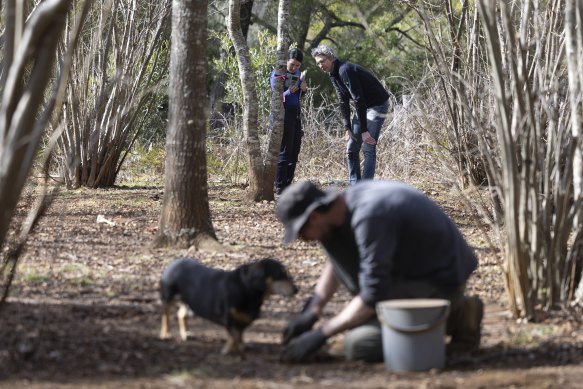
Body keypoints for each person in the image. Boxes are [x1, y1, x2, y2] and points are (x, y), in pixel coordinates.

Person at [276, 180, 483, 363]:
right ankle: (429, 315)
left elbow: (373, 291)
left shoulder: (371, 215)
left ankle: (459, 314)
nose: (303, 239)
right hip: (404, 275)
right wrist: (312, 311)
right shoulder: (342, 210)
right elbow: (336, 264)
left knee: (360, 345)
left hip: (438, 281)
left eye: (301, 232)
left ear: (313, 216)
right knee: (330, 241)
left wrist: (321, 334)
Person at [311, 45, 390, 185]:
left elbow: (358, 99)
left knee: (368, 146)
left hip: (377, 105)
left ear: (331, 58)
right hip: (363, 107)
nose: (320, 65)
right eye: (318, 63)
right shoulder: (332, 74)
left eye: (322, 61)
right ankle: (355, 187)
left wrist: (364, 131)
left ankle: (365, 189)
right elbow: (343, 100)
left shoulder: (344, 70)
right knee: (351, 148)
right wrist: (347, 127)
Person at [271, 48, 308, 195]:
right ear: (286, 60)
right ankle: (279, 185)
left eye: (297, 66)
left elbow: (299, 96)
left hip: (296, 114)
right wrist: (288, 92)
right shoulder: (278, 74)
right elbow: (277, 96)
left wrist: (303, 89)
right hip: (283, 114)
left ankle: (288, 184)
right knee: (285, 150)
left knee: (294, 150)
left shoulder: (298, 74)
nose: (294, 68)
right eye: (292, 64)